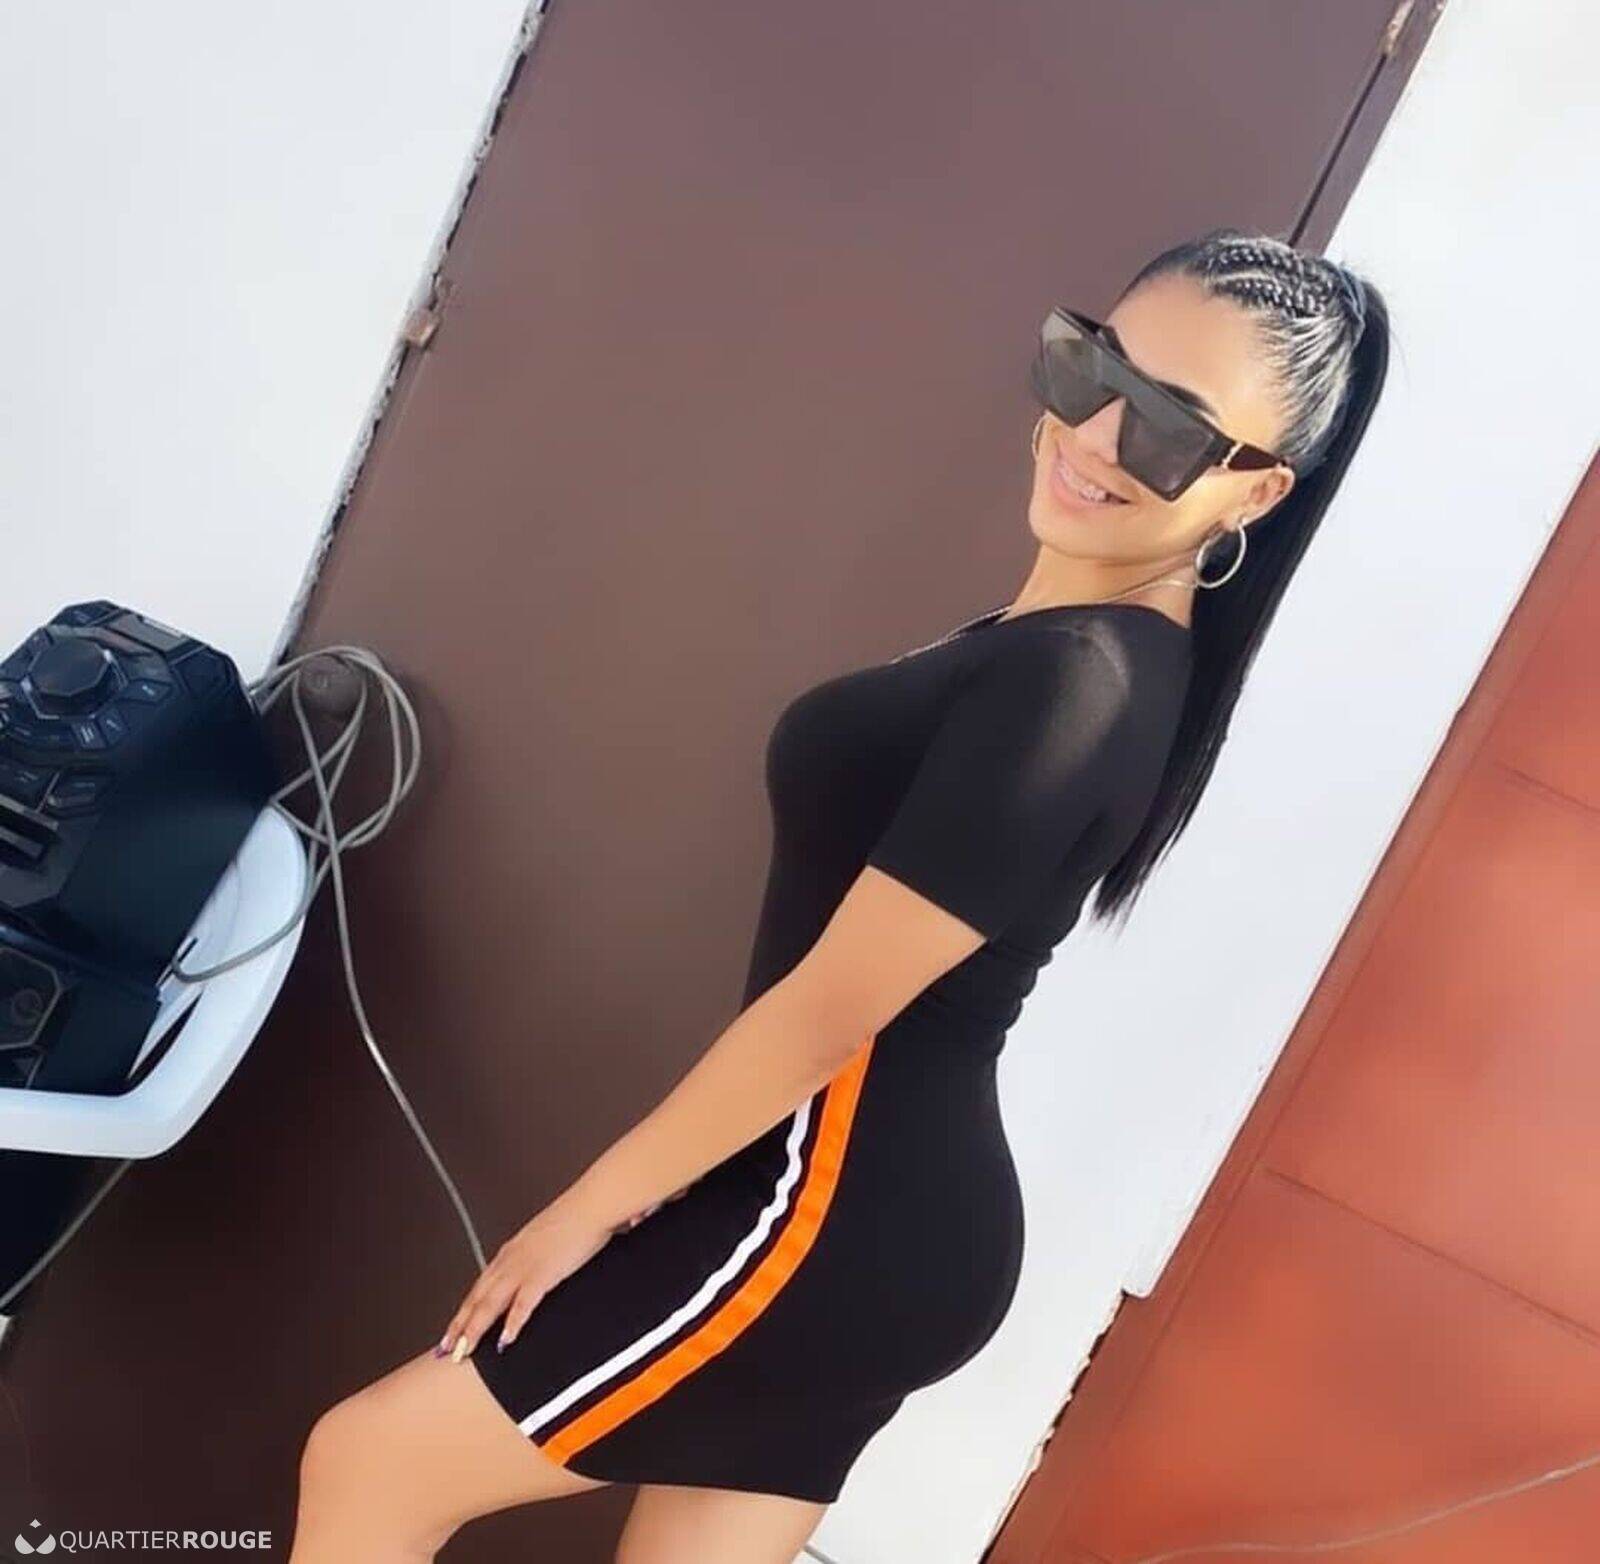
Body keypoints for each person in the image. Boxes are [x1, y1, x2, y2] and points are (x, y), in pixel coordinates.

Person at [288, 226, 1389, 1563]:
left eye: (1167, 427)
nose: (1096, 435)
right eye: (1091, 368)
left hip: (825, 1211)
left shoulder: (1080, 685)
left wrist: (585, 1214)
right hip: (874, 1222)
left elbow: (830, 1014)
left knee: (371, 1463)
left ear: (1254, 491)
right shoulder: (1068, 651)